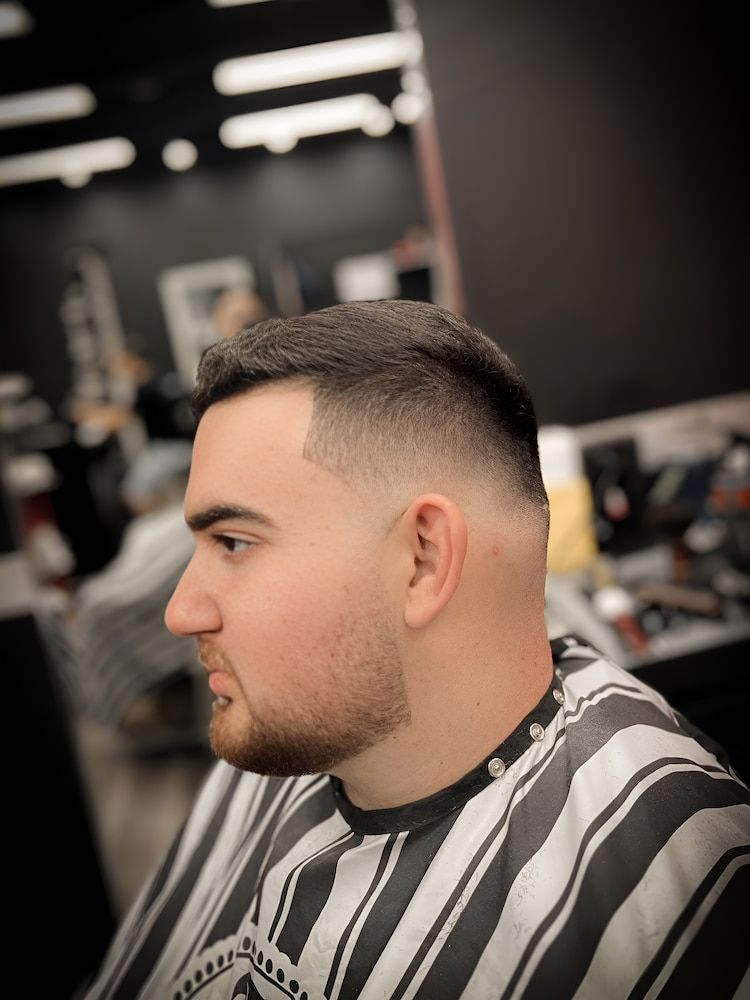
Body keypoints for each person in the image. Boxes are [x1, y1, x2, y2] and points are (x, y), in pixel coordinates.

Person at [81, 300, 750, 1000]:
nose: (180, 611)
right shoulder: (284, 728)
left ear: (423, 558)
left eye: (234, 542)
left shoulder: (677, 879)